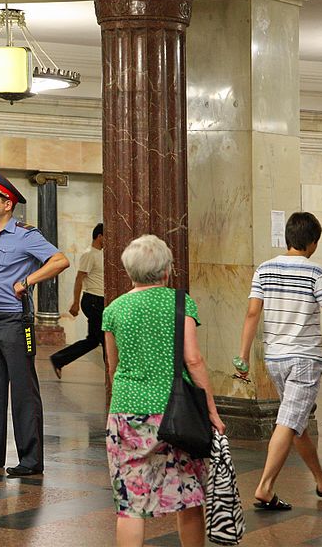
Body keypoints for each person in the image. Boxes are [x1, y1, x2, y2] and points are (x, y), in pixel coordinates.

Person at [102, 234, 225, 547]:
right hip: (177, 412)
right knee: (190, 494)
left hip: (127, 412)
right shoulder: (181, 302)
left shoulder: (114, 310)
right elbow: (194, 360)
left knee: (130, 502)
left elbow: (113, 366)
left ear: (129, 272)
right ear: (166, 271)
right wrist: (210, 409)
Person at [237, 211, 322, 510]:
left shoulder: (263, 269)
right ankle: (264, 488)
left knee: (296, 422)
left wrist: (243, 355)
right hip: (304, 359)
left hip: (274, 357)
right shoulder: (315, 273)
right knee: (289, 421)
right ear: (312, 243)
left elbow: (252, 313)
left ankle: (321, 479)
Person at [0, 170, 69, 477]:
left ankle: (31, 460)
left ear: (8, 204)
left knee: (22, 390)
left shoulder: (26, 236)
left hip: (14, 321)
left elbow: (60, 261)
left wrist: (28, 280)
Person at [50, 223, 104, 380]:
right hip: (93, 300)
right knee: (105, 340)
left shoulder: (100, 254)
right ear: (100, 236)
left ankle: (59, 359)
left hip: (99, 301)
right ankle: (112, 376)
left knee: (93, 340)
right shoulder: (89, 254)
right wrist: (75, 302)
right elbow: (79, 278)